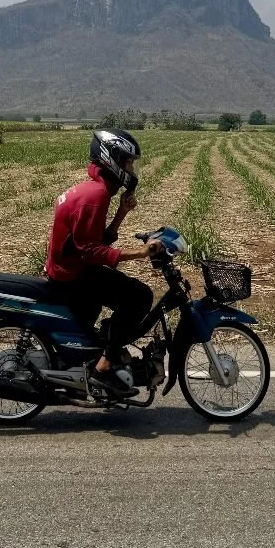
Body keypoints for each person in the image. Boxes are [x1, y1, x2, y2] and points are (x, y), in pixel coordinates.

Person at [45, 128, 165, 398]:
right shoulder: (96, 195)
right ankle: (104, 368)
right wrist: (140, 253)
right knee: (139, 296)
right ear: (112, 159)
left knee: (118, 296)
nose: (131, 169)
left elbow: (96, 239)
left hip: (70, 268)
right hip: (73, 274)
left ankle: (105, 349)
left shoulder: (95, 190)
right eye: (128, 162)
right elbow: (91, 252)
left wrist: (122, 212)